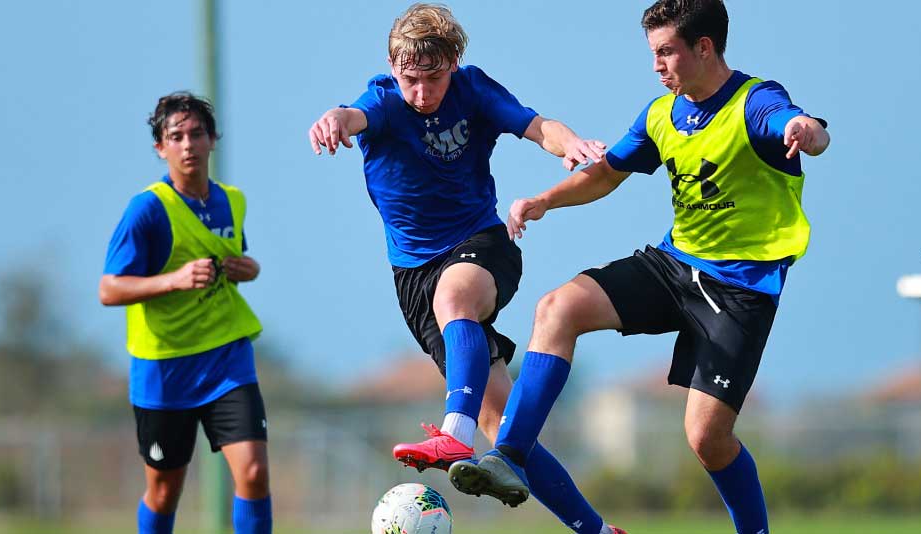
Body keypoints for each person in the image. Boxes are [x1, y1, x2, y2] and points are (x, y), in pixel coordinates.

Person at [446, 2, 829, 533]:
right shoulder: (661, 113)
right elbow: (606, 173)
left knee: (707, 440)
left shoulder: (756, 101)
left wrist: (808, 131)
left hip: (741, 288)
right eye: (653, 53)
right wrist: (544, 201)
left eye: (666, 51)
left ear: (704, 47)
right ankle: (509, 455)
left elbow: (793, 122)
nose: (657, 66)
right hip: (674, 266)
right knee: (558, 308)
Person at [306, 4, 619, 533]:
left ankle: (454, 431)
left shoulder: (474, 91)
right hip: (414, 277)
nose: (422, 93)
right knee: (503, 424)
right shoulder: (382, 101)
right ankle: (597, 531)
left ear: (454, 63)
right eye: (411, 80)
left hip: (482, 245)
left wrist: (573, 147)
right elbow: (352, 116)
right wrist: (334, 120)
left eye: (433, 79)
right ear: (392, 65)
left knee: (454, 299)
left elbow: (537, 126)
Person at [100, 92, 272, 534]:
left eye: (197, 133)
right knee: (164, 491)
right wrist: (172, 280)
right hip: (165, 368)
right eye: (176, 136)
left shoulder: (232, 201)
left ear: (213, 139)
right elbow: (109, 288)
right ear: (161, 147)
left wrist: (247, 269)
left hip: (225, 357)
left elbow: (235, 260)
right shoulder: (147, 210)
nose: (188, 144)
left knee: (252, 473)